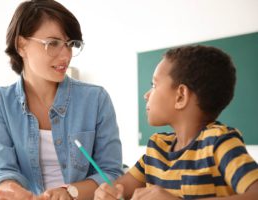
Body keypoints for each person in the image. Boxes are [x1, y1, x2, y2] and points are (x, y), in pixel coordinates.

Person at [0, 0, 123, 199]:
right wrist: (12, 190)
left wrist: (69, 192)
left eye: (70, 44)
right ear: (22, 45)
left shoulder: (96, 99)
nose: (66, 54)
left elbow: (111, 173)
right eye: (53, 43)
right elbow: (1, 170)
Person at [94, 45, 258, 200]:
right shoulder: (156, 148)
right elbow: (119, 188)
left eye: (154, 84)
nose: (146, 95)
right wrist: (107, 192)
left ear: (180, 96)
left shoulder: (219, 143)